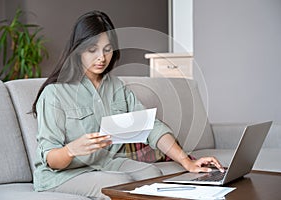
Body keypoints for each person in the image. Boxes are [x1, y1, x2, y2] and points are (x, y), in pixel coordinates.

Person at [32, 10, 224, 199]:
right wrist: (72, 149)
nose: (101, 57)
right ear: (78, 50)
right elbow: (51, 159)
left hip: (108, 162)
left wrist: (186, 161)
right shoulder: (55, 93)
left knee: (152, 174)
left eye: (107, 49)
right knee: (115, 185)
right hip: (62, 174)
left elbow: (151, 127)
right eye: (92, 50)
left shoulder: (116, 87)